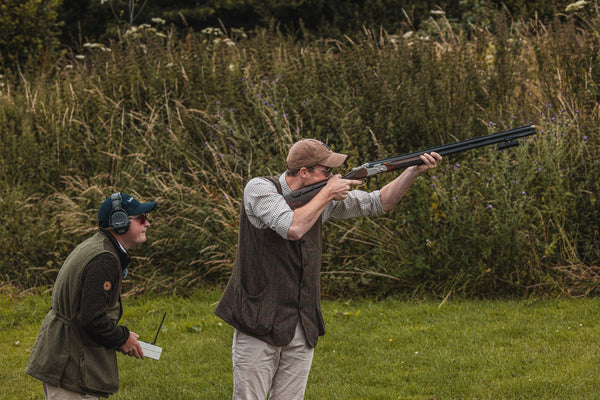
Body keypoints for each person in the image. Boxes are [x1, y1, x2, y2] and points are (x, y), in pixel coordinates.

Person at [214, 138, 442, 400]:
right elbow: (292, 228)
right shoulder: (259, 189)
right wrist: (327, 193)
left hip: (301, 323)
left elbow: (380, 202)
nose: (333, 177)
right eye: (327, 171)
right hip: (257, 320)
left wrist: (412, 170)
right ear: (304, 173)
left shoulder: (321, 198)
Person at [25, 192, 157, 399]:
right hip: (70, 368)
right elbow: (92, 319)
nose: (147, 224)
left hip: (64, 357)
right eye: (140, 218)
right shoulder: (104, 259)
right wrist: (123, 338)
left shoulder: (97, 247)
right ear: (119, 222)